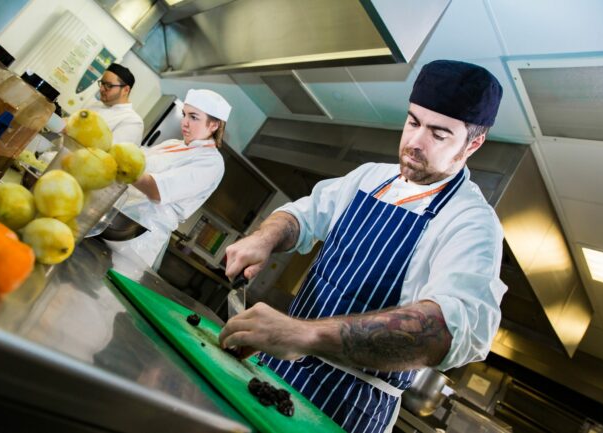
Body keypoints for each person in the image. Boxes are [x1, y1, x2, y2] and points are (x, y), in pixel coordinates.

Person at [219, 60, 507, 433]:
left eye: (438, 134)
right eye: (413, 121)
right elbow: (303, 215)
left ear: (473, 144)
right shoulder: (372, 177)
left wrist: (306, 335)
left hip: (349, 405)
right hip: (277, 365)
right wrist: (264, 238)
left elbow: (451, 327)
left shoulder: (471, 222)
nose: (415, 142)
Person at [110, 89, 231, 270]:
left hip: (139, 238)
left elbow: (157, 190)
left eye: (194, 117)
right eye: (184, 115)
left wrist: (120, 168)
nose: (185, 123)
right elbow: (137, 160)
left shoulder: (211, 162)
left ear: (214, 125)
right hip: (120, 220)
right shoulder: (172, 144)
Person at [84, 63, 144, 145]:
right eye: (102, 83)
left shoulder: (132, 121)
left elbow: (111, 153)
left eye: (108, 85)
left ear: (125, 90)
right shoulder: (96, 105)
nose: (101, 89)